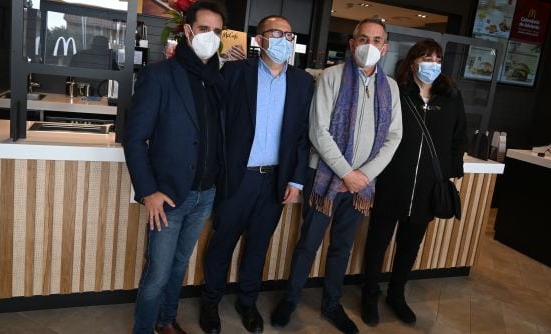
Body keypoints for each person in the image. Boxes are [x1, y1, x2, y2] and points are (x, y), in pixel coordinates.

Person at [271, 17, 402, 334]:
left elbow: (393, 137)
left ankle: (331, 305)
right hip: (326, 181)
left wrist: (362, 177)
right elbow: (318, 131)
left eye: (376, 40)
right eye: (363, 38)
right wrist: (347, 173)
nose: (369, 45)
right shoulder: (331, 77)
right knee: (307, 246)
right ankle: (290, 299)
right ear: (352, 43)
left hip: (360, 188)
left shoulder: (391, 88)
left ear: (384, 48)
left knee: (341, 249)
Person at [199, 15, 314, 334]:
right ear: (259, 39)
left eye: (288, 35)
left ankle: (247, 303)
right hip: (238, 176)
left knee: (258, 245)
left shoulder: (303, 82)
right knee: (222, 242)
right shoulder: (236, 73)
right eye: (275, 33)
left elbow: (303, 135)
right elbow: (217, 121)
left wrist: (296, 179)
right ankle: (210, 301)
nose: (282, 40)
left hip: (275, 180)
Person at [122, 2, 226, 334]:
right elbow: (134, 139)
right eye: (206, 29)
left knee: (180, 266)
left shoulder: (217, 79)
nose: (212, 36)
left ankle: (165, 321)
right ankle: (143, 328)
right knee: (158, 272)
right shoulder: (158, 76)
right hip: (167, 196)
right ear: (188, 31)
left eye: (218, 31)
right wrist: (148, 191)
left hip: (205, 194)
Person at [360, 39, 467, 326]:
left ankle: (396, 295)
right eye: (425, 57)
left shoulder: (451, 97)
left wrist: (448, 172)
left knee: (409, 246)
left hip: (427, 187)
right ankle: (369, 295)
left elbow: (458, 139)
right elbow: (379, 133)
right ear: (412, 61)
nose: (431, 63)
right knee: (377, 243)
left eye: (436, 58)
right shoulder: (397, 91)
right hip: (392, 181)